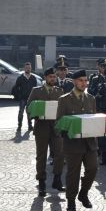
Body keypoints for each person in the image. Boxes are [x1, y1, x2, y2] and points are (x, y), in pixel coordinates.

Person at [56, 69, 98, 211]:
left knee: (93, 168)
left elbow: (93, 119)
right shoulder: (64, 99)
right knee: (73, 175)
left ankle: (83, 193)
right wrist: (71, 125)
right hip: (72, 144)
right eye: (81, 80)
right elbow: (59, 122)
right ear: (74, 81)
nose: (84, 83)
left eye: (86, 81)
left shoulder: (91, 98)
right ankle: (71, 204)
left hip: (90, 143)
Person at [27, 67, 64, 196]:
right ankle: (41, 181)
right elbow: (29, 107)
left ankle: (57, 179)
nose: (53, 79)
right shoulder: (36, 91)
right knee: (41, 156)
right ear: (45, 78)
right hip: (42, 127)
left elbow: (63, 109)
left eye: (54, 77)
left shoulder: (60, 91)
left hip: (56, 128)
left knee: (60, 154)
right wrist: (35, 114)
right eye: (50, 77)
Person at [12, 62, 36, 134]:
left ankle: (30, 126)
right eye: (26, 68)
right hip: (22, 98)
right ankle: (19, 126)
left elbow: (34, 89)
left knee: (29, 113)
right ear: (24, 68)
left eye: (29, 68)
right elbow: (16, 88)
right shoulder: (20, 78)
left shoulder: (33, 78)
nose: (28, 69)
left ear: (31, 68)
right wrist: (19, 96)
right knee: (21, 112)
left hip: (30, 98)